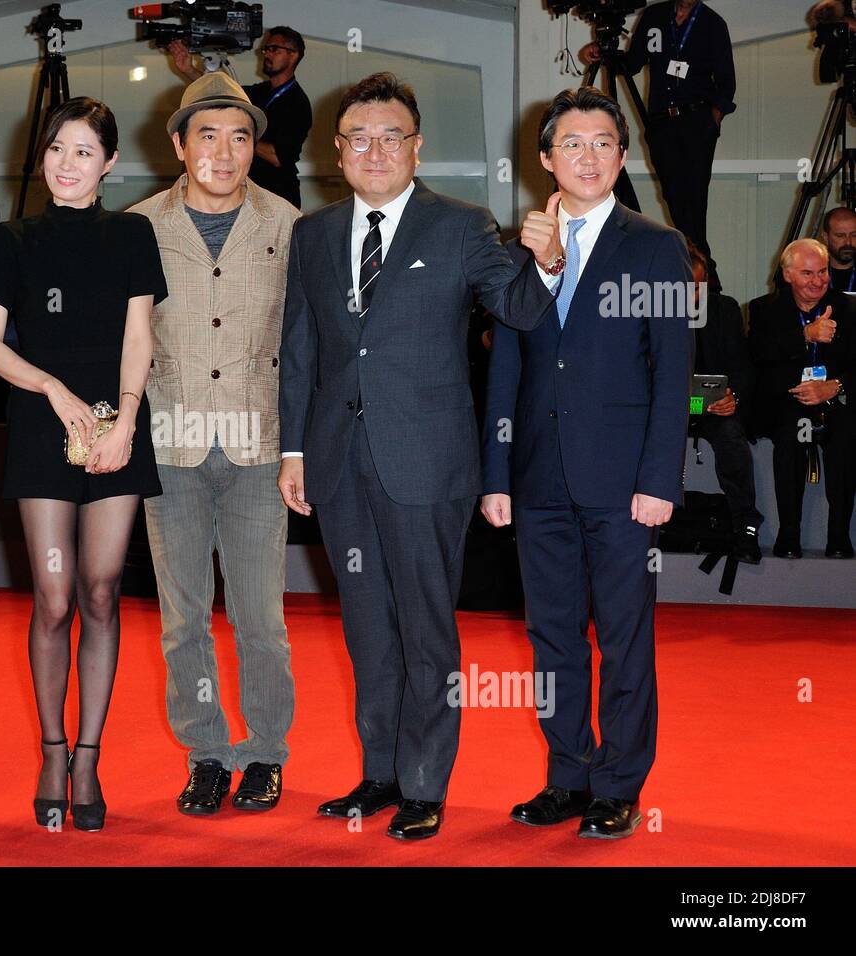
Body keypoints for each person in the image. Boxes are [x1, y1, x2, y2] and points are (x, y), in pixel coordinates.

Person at [279, 72, 554, 841]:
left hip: (427, 462)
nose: (375, 150)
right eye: (358, 137)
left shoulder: (463, 225)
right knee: (366, 625)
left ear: (416, 145)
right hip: (337, 460)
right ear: (336, 150)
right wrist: (293, 448)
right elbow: (298, 349)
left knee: (427, 624)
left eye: (391, 135)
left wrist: (551, 260)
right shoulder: (314, 232)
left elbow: (520, 308)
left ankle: (428, 781)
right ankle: (381, 774)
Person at [481, 87, 694, 840]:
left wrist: (659, 481)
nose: (590, 157)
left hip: (623, 481)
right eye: (573, 144)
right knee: (552, 637)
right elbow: (505, 362)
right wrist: (495, 475)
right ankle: (566, 775)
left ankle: (618, 783)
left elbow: (674, 372)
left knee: (624, 635)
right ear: (546, 159)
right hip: (537, 477)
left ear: (622, 156)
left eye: (604, 143)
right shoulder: (518, 251)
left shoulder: (655, 244)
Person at [0, 97, 165, 833]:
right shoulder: (12, 239)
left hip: (115, 429)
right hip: (39, 428)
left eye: (85, 151)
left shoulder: (132, 235)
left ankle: (88, 755)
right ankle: (52, 749)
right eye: (56, 148)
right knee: (52, 597)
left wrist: (123, 419)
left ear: (110, 163)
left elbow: (140, 336)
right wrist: (51, 388)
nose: (67, 163)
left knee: (99, 588)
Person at [128, 72, 299, 817]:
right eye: (208, 135)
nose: (225, 151)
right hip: (172, 449)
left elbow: (307, 346)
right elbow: (120, 342)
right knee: (183, 620)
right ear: (178, 144)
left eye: (239, 136)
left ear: (254, 146)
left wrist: (302, 448)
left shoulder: (291, 225)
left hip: (261, 447)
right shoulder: (136, 227)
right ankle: (206, 751)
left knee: (262, 620)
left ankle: (265, 752)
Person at [583, 0, 734, 281]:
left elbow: (727, 83)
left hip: (696, 120)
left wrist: (712, 120)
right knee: (673, 195)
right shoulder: (654, 16)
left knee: (695, 199)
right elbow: (632, 64)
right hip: (662, 122)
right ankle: (697, 265)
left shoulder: (712, 24)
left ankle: (703, 272)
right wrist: (604, 53)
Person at [747, 239, 854, 558]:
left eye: (822, 272)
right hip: (788, 401)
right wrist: (805, 336)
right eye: (807, 273)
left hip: (837, 398)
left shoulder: (849, 308)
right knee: (790, 440)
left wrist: (835, 386)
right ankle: (788, 534)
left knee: (846, 438)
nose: (818, 280)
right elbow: (757, 356)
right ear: (788, 274)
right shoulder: (763, 309)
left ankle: (839, 536)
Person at [167, 26, 312, 208]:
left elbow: (277, 156)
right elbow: (220, 93)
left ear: (293, 55)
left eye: (274, 49)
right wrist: (188, 69)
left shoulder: (298, 103)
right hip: (246, 196)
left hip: (277, 195)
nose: (267, 54)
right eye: (265, 49)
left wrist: (239, 138)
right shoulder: (260, 92)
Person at [687, 240, 762, 563]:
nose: (692, 294)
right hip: (668, 408)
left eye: (698, 286)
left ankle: (745, 525)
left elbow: (743, 367)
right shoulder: (648, 311)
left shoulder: (724, 309)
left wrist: (734, 397)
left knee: (731, 437)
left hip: (716, 407)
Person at [820, 206, 856, 295]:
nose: (848, 242)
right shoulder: (812, 274)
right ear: (825, 237)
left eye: (854, 235)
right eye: (840, 236)